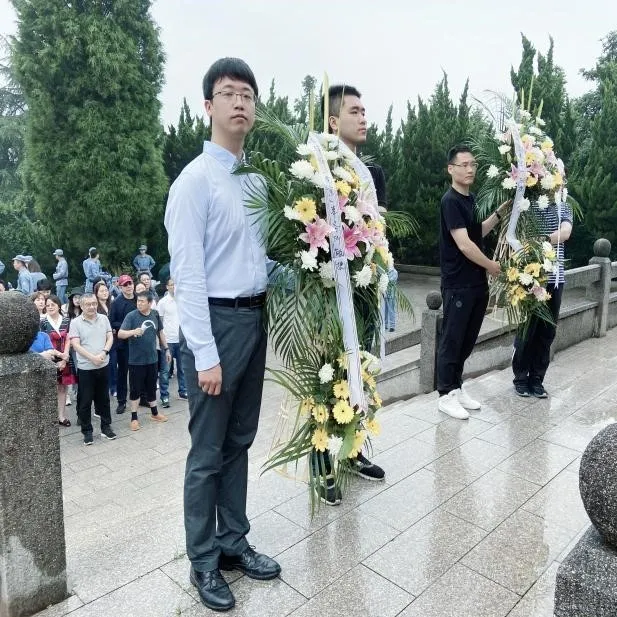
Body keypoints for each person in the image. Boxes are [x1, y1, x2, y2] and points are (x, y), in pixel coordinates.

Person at [164, 57, 280, 612]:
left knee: (240, 440)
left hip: (254, 319)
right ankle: (203, 559)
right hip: (215, 324)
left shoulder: (256, 181)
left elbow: (259, 261)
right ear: (209, 106)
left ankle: (234, 542)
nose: (240, 103)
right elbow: (187, 275)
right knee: (207, 451)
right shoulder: (194, 182)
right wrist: (205, 353)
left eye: (248, 95)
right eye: (229, 93)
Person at [313, 83, 387, 501]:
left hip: (363, 287)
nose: (363, 117)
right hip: (330, 290)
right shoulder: (322, 168)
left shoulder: (367, 170)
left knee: (361, 372)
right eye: (354, 111)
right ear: (333, 120)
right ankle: (322, 465)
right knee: (328, 375)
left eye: (364, 111)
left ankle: (353, 451)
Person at [436, 145, 508, 420]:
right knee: (452, 340)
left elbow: (477, 232)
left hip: (476, 283)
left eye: (473, 165)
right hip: (458, 284)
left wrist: (499, 214)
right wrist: (491, 266)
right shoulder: (450, 201)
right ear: (451, 169)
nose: (470, 169)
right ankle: (445, 394)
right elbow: (464, 245)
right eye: (464, 164)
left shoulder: (471, 199)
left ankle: (457, 387)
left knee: (467, 340)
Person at [512, 201, 573, 398]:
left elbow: (565, 232)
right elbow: (518, 234)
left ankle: (537, 379)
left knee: (547, 331)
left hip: (555, 279)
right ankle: (520, 378)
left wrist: (543, 240)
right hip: (531, 277)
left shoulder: (564, 206)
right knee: (527, 330)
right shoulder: (528, 203)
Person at [117, 291, 170, 431]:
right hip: (136, 361)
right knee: (135, 390)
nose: (139, 303)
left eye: (142, 301)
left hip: (152, 358)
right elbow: (120, 334)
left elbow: (160, 333)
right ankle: (134, 418)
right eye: (138, 301)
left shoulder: (155, 314)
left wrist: (166, 349)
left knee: (151, 387)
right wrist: (133, 331)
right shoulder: (131, 316)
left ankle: (155, 413)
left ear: (150, 303)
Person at [68, 293, 116, 444]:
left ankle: (106, 427)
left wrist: (104, 352)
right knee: (85, 401)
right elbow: (76, 345)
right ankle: (87, 431)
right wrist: (92, 358)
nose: (92, 307)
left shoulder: (103, 318)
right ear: (81, 306)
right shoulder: (75, 323)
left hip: (103, 364)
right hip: (86, 368)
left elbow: (110, 337)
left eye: (94, 303)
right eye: (88, 304)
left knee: (104, 399)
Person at [41, 295, 77, 427]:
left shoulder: (67, 320)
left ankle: (61, 416)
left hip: (65, 358)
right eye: (48, 305)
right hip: (49, 358)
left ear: (58, 305)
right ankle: (50, 417)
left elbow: (69, 338)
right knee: (49, 389)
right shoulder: (43, 322)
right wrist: (56, 358)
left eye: (53, 305)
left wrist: (65, 357)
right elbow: (42, 342)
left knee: (62, 388)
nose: (50, 307)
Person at [109, 274, 136, 414]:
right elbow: (111, 321)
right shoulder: (116, 303)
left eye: (130, 283)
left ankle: (141, 397)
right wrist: (127, 327)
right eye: (125, 284)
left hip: (139, 342)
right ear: (120, 287)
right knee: (122, 373)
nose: (129, 286)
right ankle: (121, 401)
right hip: (123, 343)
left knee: (138, 372)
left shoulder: (139, 298)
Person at [157, 278, 187, 401]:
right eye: (171, 285)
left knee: (182, 369)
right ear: (167, 287)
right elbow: (159, 322)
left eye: (176, 284)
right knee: (165, 370)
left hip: (182, 339)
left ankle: (183, 391)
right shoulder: (162, 302)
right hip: (168, 340)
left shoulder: (183, 300)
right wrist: (161, 340)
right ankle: (164, 395)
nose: (174, 287)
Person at [95, 280, 116, 397]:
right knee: (103, 364)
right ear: (96, 293)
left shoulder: (112, 304)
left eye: (106, 290)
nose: (105, 293)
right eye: (102, 291)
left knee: (113, 364)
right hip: (100, 340)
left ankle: (113, 387)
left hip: (113, 339)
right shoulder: (95, 307)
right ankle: (104, 387)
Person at [384, 266, 399, 331]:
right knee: (385, 310)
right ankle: (385, 325)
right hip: (384, 294)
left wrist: (383, 278)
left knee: (391, 310)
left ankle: (392, 326)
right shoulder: (384, 270)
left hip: (391, 295)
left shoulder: (395, 272)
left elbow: (390, 281)